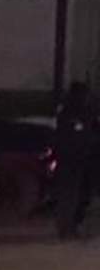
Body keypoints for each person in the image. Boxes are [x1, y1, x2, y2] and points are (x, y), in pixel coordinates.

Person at [54, 81, 98, 239]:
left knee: (80, 196)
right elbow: (72, 137)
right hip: (72, 160)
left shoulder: (86, 112)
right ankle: (66, 229)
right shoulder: (69, 113)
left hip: (83, 161)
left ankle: (72, 227)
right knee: (69, 196)